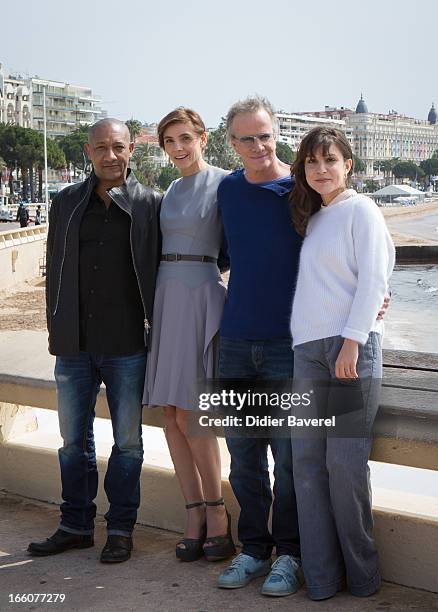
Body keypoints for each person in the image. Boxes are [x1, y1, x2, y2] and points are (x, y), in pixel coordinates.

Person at [28, 118, 162, 563]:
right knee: (72, 443)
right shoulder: (65, 201)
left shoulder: (149, 204)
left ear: (131, 152)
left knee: (127, 443)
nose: (110, 156)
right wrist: (54, 326)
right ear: (89, 151)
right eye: (102, 147)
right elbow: (54, 269)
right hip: (73, 343)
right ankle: (75, 525)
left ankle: (121, 528)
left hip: (127, 345)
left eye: (118, 147)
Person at [289, 127, 395, 600]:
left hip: (350, 349)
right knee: (308, 465)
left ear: (348, 163)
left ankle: (363, 578)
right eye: (311, 162)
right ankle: (322, 578)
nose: (320, 169)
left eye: (329, 160)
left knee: (345, 464)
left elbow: (374, 282)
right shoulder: (313, 219)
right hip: (307, 351)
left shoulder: (363, 210)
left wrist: (351, 343)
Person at [216, 97, 303, 597]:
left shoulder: (302, 186)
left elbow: (348, 244)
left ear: (277, 134)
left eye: (265, 135)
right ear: (232, 143)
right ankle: (253, 548)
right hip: (235, 341)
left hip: (290, 344)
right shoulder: (228, 190)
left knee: (289, 458)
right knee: (244, 456)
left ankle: (289, 554)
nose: (257, 146)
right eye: (246, 138)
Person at [143, 108, 235, 562]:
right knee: (170, 414)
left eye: (185, 138)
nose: (178, 148)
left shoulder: (226, 183)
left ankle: (218, 512)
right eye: (169, 141)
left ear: (202, 137)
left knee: (194, 415)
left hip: (201, 296)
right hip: (166, 296)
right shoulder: (169, 192)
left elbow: (248, 243)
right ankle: (193, 510)